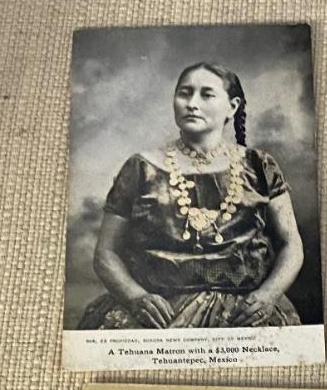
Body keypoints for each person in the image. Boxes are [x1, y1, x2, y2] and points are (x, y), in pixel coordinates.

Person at [81, 61, 305, 330]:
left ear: (232, 107)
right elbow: (105, 252)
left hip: (243, 313)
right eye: (184, 93)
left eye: (206, 94)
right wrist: (135, 297)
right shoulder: (141, 167)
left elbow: (291, 245)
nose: (192, 103)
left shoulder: (259, 166)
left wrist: (267, 296)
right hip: (158, 314)